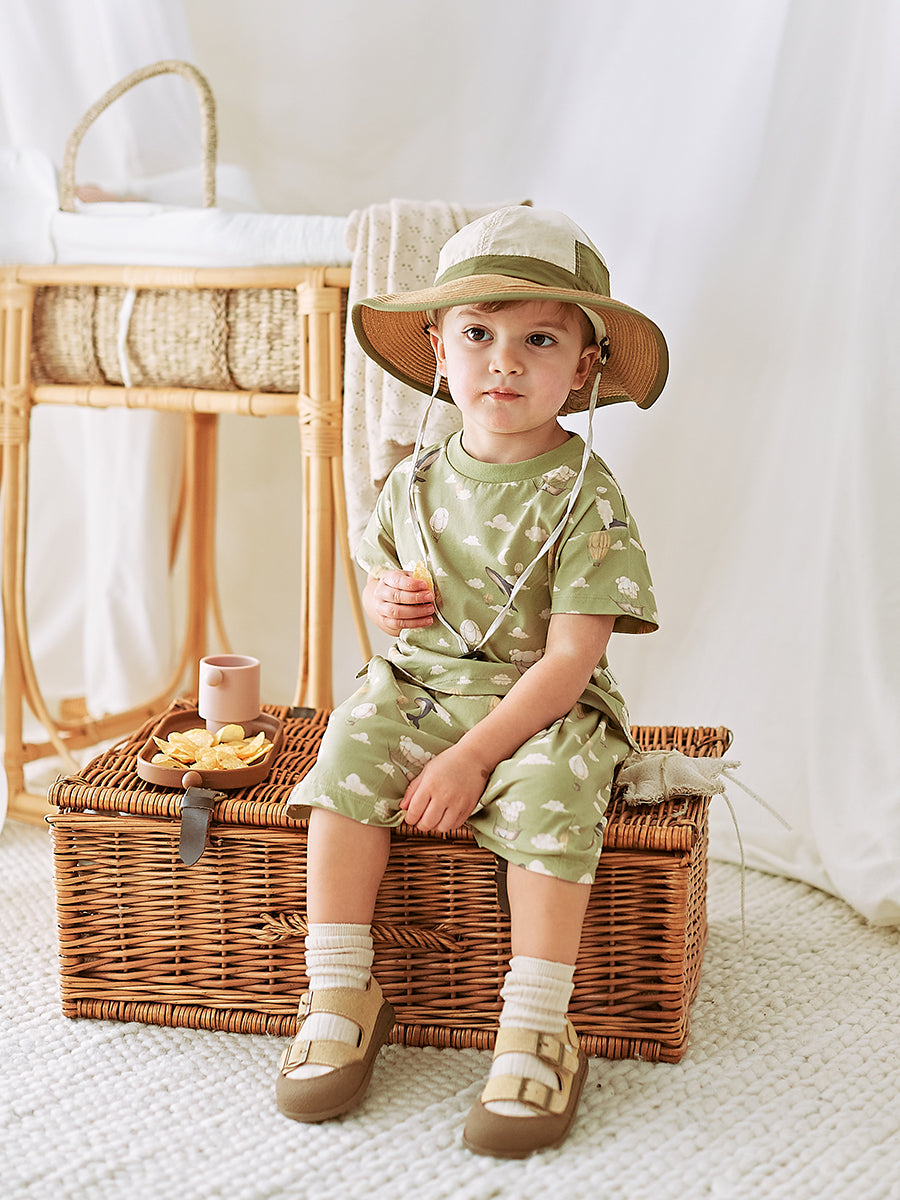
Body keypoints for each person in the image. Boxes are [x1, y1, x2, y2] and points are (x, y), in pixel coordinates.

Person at [276, 206, 668, 1158]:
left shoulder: (585, 496)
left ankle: (536, 1020)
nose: (504, 363)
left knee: (552, 788)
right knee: (347, 749)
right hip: (422, 685)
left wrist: (471, 759)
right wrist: (390, 601)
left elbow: (571, 660)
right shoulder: (414, 479)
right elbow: (389, 578)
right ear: (439, 351)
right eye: (480, 334)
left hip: (541, 707)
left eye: (540, 340)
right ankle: (341, 985)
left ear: (584, 367)